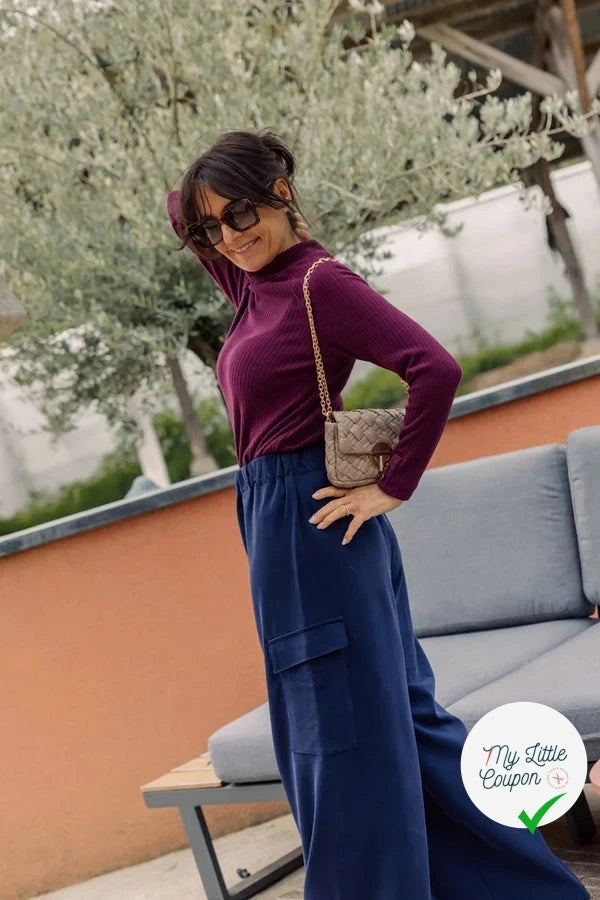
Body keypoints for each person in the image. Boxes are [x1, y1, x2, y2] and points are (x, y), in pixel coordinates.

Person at [166, 129, 589, 900]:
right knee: (407, 727)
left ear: (281, 195)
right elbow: (182, 215)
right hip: (285, 530)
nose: (227, 236)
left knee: (341, 744)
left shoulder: (317, 284)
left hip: (313, 529)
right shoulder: (251, 281)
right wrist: (209, 198)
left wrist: (395, 485)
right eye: (212, 226)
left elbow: (435, 368)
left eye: (242, 213)